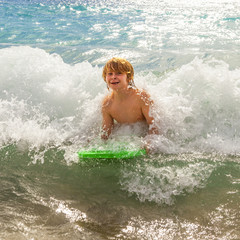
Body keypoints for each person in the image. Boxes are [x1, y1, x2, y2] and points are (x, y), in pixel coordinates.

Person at [101, 57, 158, 151]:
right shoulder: (107, 103)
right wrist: (101, 145)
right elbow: (106, 132)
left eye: (119, 73)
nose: (113, 77)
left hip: (144, 132)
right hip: (130, 135)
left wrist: (150, 141)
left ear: (129, 77)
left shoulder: (141, 97)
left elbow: (155, 125)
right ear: (105, 77)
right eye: (110, 74)